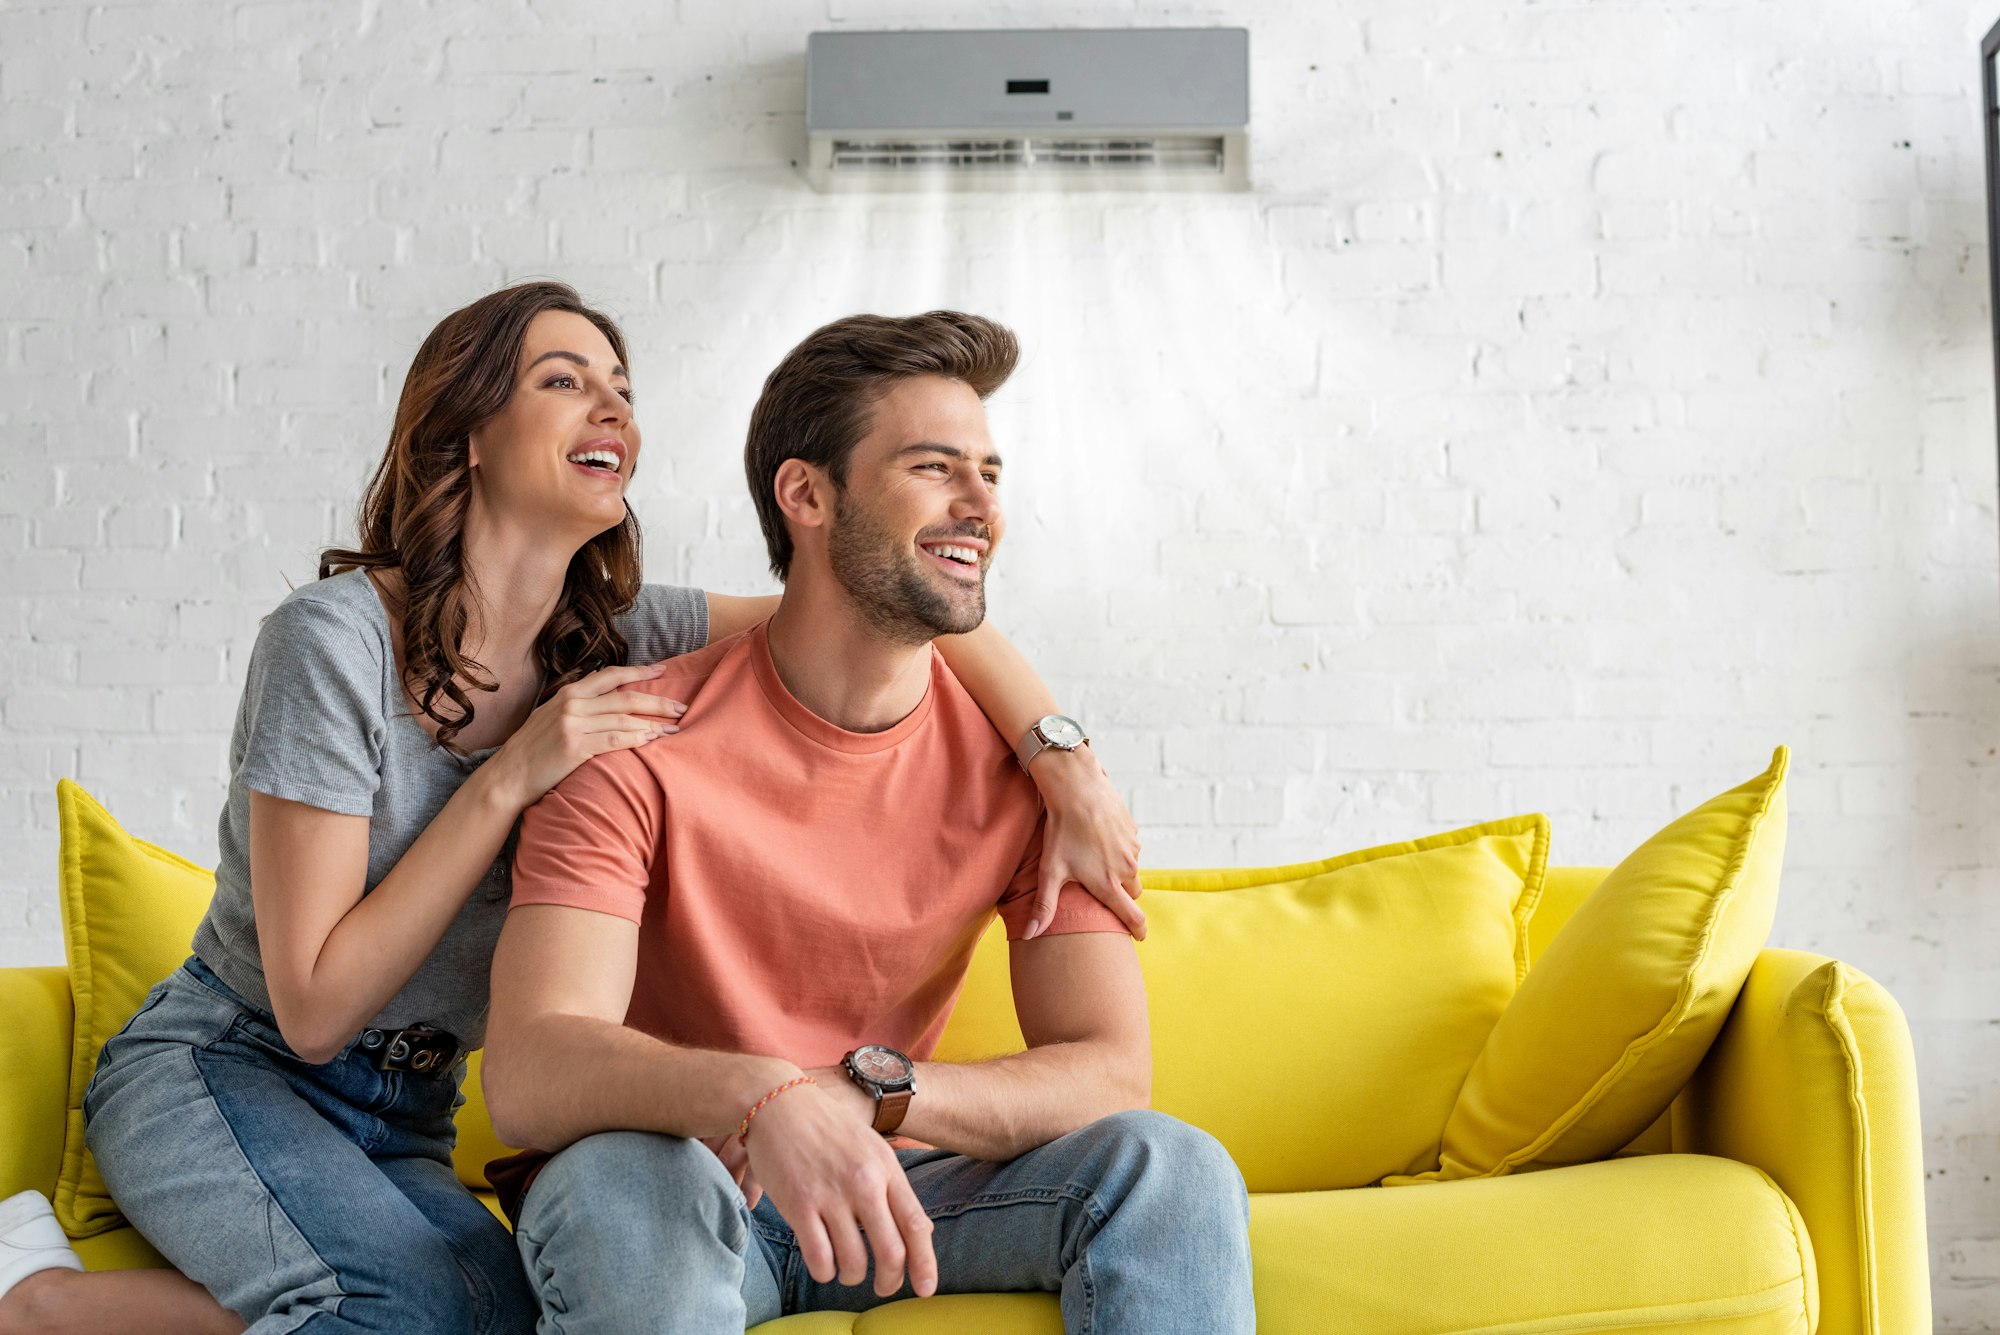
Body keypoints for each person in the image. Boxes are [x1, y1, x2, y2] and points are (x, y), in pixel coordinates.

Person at [0, 284, 1146, 1335]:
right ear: (467, 435)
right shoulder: (332, 643)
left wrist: (1061, 758)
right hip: (230, 1067)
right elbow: (311, 1007)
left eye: (622, 388)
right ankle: (40, 1303)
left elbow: (892, 586)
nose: (612, 407)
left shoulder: (616, 636)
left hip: (413, 1105)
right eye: (564, 380)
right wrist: (509, 777)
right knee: (389, 1314)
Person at [481, 310, 1255, 1334]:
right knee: (622, 1191)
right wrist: (761, 1101)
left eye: (989, 473)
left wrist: (862, 1096)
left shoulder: (1032, 782)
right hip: (684, 1185)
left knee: (1171, 1168)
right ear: (805, 495)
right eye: (935, 469)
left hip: (900, 1190)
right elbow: (532, 1069)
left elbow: (1111, 1070)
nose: (980, 506)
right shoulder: (634, 741)